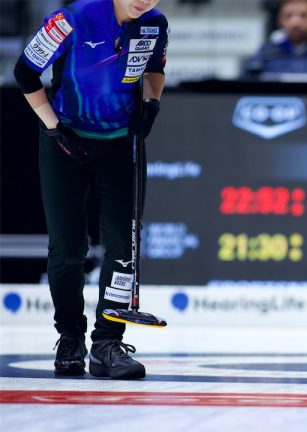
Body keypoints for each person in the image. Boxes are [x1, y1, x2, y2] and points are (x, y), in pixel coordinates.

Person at [13, 0, 168, 380]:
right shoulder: (72, 19)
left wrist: (151, 104)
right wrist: (53, 128)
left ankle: (107, 344)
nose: (142, 0)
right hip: (64, 139)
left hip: (121, 144)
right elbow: (25, 72)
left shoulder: (154, 24)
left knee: (124, 242)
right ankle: (69, 337)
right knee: (67, 248)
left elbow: (154, 70)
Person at [243, 0, 307, 81]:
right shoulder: (264, 56)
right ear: (280, 20)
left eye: (303, 15)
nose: (296, 23)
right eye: (289, 16)